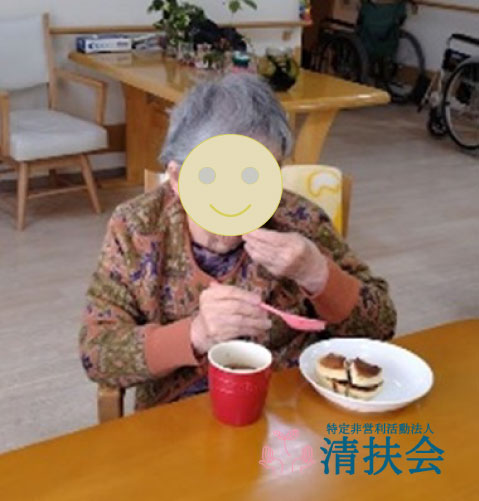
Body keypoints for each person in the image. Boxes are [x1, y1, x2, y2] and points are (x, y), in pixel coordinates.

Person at [79, 73, 396, 409]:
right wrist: (196, 334)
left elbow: (380, 328)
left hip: (285, 406)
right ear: (177, 177)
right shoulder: (136, 227)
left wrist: (317, 273)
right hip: (178, 414)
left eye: (255, 175)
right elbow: (97, 354)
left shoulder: (299, 220)